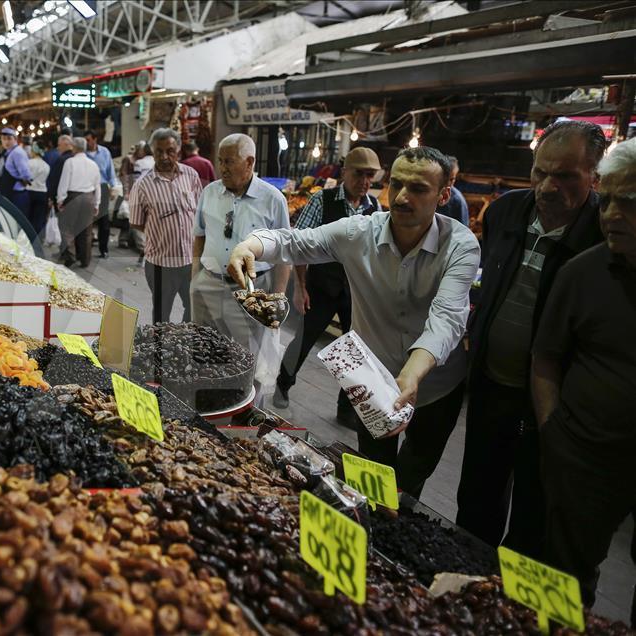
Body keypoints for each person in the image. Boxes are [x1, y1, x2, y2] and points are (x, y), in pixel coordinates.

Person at [227, 147, 480, 499]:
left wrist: (412, 372)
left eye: (418, 188)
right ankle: (372, 518)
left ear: (443, 195)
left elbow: (447, 317)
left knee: (414, 472)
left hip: (436, 384)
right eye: (397, 184)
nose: (402, 197)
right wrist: (249, 246)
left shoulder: (460, 245)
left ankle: (401, 511)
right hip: (371, 377)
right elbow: (294, 241)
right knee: (374, 470)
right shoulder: (358, 232)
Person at [455, 120, 607, 554]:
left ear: (594, 177)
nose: (547, 186)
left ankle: (510, 590)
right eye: (541, 172)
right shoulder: (505, 212)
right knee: (477, 497)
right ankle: (466, 576)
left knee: (534, 513)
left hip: (553, 404)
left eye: (565, 176)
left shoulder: (602, 234)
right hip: (491, 386)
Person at [529, 138, 635, 609]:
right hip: (586, 459)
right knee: (566, 574)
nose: (610, 214)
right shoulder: (581, 274)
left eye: (627, 202)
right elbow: (545, 359)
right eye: (606, 200)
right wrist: (554, 433)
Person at [272, 147, 383, 417]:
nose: (365, 181)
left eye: (370, 175)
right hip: (321, 286)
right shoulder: (323, 199)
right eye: (359, 174)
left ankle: (346, 408)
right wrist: (300, 287)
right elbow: (299, 244)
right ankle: (282, 385)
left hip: (355, 291)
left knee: (354, 350)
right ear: (344, 172)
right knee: (304, 340)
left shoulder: (375, 207)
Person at [191, 133, 292, 365]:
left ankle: (244, 389)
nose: (222, 168)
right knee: (203, 352)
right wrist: (194, 279)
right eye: (220, 161)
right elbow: (199, 237)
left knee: (245, 358)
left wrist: (276, 300)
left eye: (229, 161)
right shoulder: (210, 193)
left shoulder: (273, 199)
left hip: (250, 290)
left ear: (249, 162)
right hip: (208, 284)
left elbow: (284, 254)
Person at [129, 128, 203, 324]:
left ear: (178, 150)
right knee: (161, 315)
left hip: (190, 261)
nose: (164, 156)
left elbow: (199, 212)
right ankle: (161, 343)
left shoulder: (191, 175)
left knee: (194, 308)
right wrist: (162, 229)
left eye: (169, 151)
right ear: (152, 152)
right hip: (160, 265)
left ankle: (185, 340)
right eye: (159, 151)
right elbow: (136, 222)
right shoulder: (142, 185)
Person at [56, 137, 101, 268]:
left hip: (73, 197)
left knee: (67, 227)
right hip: (89, 197)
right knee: (86, 230)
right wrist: (97, 203)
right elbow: (97, 185)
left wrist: (60, 199)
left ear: (74, 148)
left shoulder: (70, 162)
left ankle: (71, 255)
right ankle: (85, 259)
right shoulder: (93, 164)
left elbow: (64, 182)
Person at [85, 130, 118, 259]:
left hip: (102, 186)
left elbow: (110, 171)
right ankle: (85, 249)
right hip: (87, 187)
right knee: (86, 219)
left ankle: (103, 249)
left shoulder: (104, 152)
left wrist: (113, 187)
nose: (86, 143)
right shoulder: (83, 154)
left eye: (88, 140)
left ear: (95, 139)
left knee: (103, 220)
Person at [0, 127, 32, 215]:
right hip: (11, 193)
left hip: (17, 195)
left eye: (9, 139)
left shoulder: (17, 153)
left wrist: (23, 180)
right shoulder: (10, 152)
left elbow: (26, 175)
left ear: (15, 139)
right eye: (4, 139)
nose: (6, 142)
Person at [25, 142, 51, 237]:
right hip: (42, 193)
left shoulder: (29, 163)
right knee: (39, 218)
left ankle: (28, 237)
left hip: (30, 191)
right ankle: (37, 238)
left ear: (34, 151)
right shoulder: (46, 165)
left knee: (28, 217)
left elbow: (27, 178)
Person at [436, 155, 469, 226]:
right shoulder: (431, 193)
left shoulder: (457, 200)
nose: (447, 183)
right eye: (444, 178)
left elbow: (463, 227)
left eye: (451, 179)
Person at [47, 135, 74, 207]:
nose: (58, 148)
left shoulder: (61, 160)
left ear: (66, 145)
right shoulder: (76, 158)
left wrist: (51, 197)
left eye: (59, 145)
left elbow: (55, 179)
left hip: (62, 199)